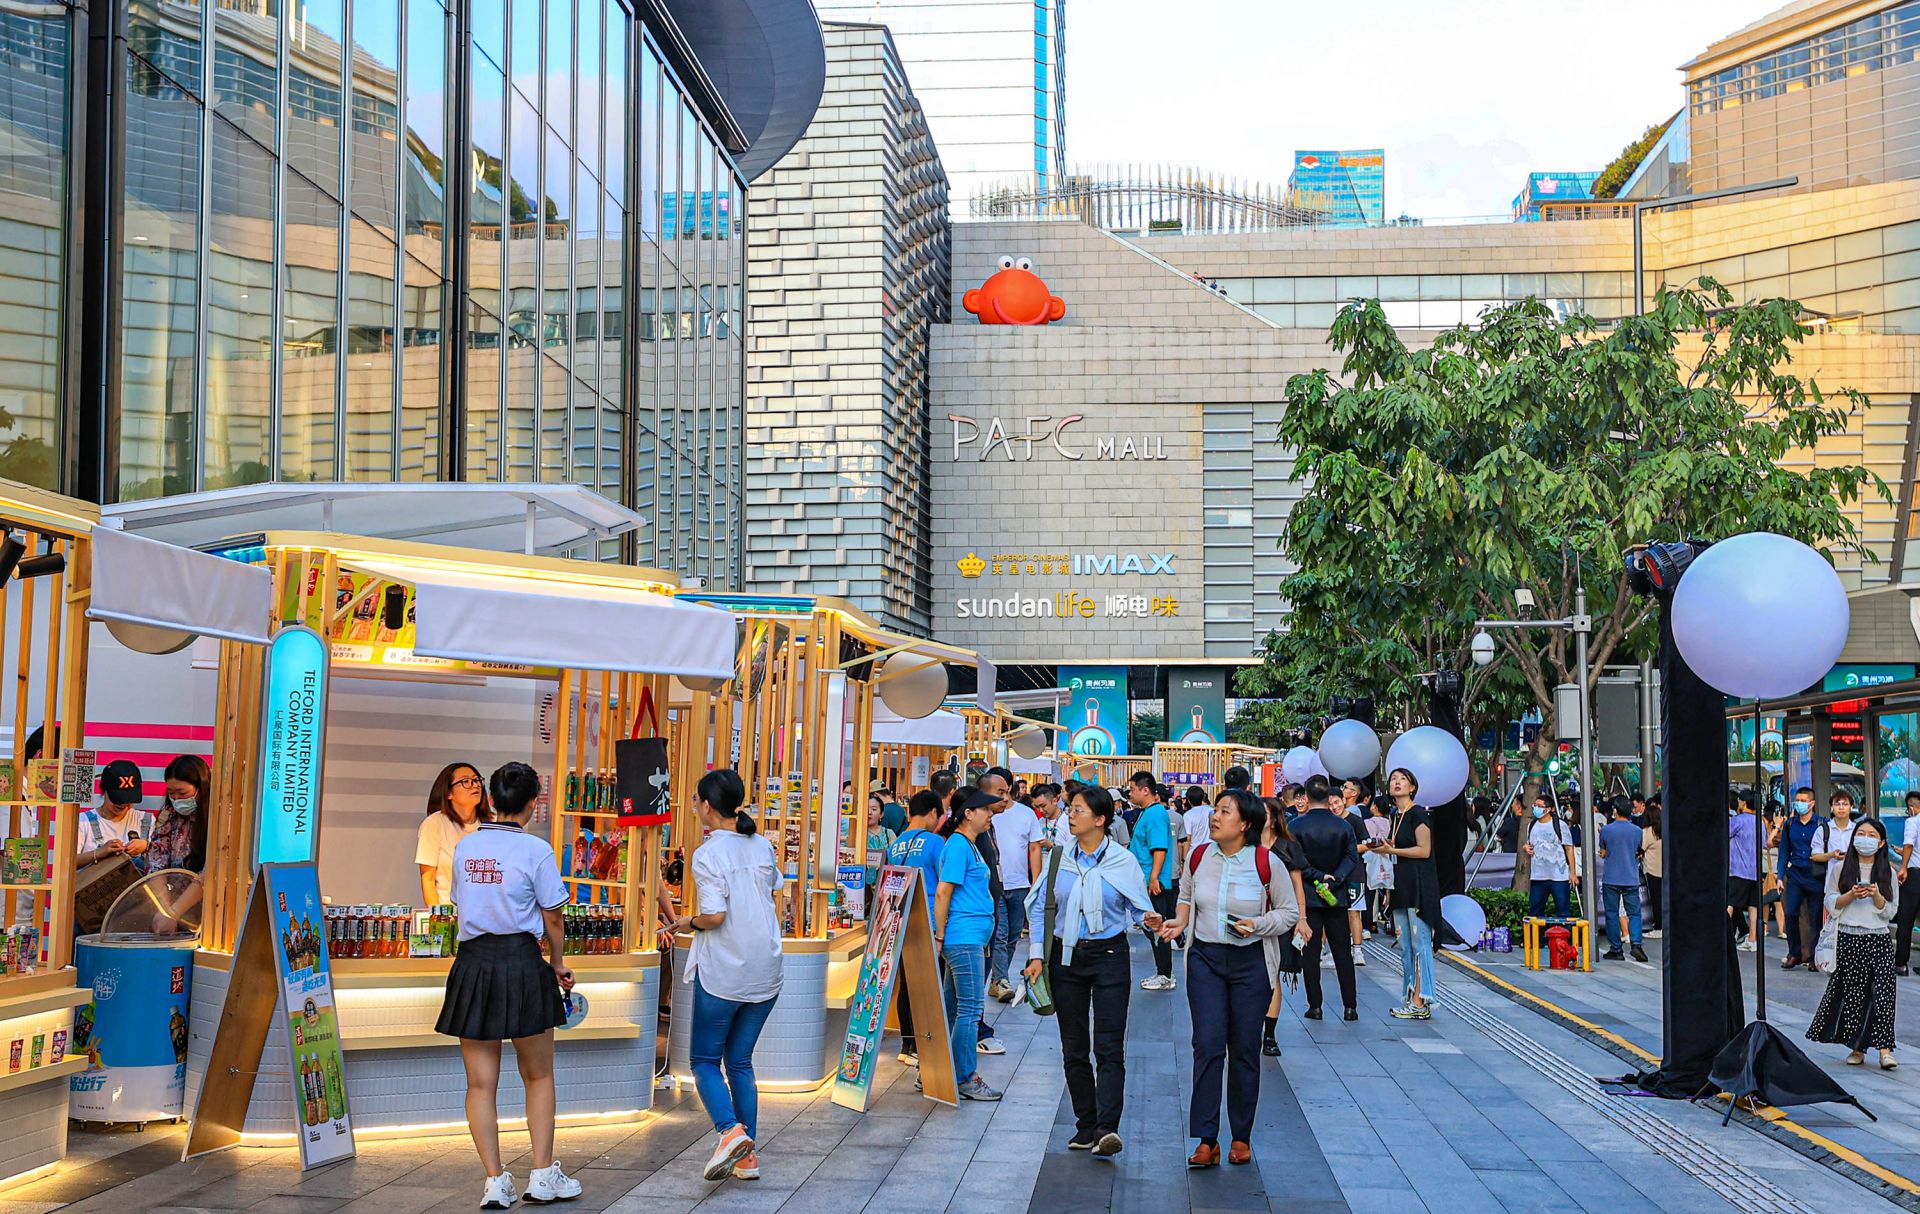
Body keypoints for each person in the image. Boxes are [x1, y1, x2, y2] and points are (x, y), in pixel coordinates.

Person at [437, 762, 580, 1209]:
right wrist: (556, 962)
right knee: (538, 1075)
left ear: (492, 801)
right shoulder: (536, 851)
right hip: (522, 963)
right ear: (533, 804)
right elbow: (553, 915)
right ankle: (541, 1175)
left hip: (474, 964)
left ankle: (496, 1181)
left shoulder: (466, 848)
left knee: (480, 1084)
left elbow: (461, 903)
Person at [1158, 789, 1300, 1167]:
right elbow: (1186, 895)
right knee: (1206, 1044)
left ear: (1246, 824)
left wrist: (1258, 924)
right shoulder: (1200, 856)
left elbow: (1289, 912)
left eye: (1225, 811)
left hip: (1251, 962)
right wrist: (1180, 921)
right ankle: (1207, 1138)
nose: (1215, 817)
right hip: (1205, 958)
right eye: (1216, 810)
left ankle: (1240, 1135)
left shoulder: (1266, 862)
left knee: (1244, 1049)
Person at [1024, 785, 1159, 1157]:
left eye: (1078, 810)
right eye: (1070, 809)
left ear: (1100, 820)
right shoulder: (1058, 859)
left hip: (1110, 955)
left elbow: (1136, 909)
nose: (1070, 815)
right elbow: (1039, 908)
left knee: (1109, 1045)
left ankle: (1107, 1128)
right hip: (1065, 959)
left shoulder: (1122, 860)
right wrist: (1037, 955)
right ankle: (1085, 1124)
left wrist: (1150, 919)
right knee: (1074, 1046)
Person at [673, 769, 784, 1183]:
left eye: (695, 799)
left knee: (704, 1061)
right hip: (766, 968)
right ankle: (746, 1157)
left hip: (725, 970)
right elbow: (772, 889)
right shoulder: (761, 844)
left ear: (706, 805)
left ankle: (730, 1131)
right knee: (739, 1062)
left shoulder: (708, 854)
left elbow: (715, 916)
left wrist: (689, 922)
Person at [1808, 818, 1898, 1070]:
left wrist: (1877, 895)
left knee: (1883, 994)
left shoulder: (1887, 872)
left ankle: (1885, 1050)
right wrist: (1851, 895)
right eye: (1861, 833)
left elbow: (1890, 912)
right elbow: (1830, 902)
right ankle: (1858, 1047)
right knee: (1855, 995)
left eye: (1871, 835)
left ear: (1880, 842)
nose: (1865, 839)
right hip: (1849, 937)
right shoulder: (1840, 869)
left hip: (1878, 938)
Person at [934, 789, 1004, 1101]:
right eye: (984, 810)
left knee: (951, 1007)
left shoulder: (969, 845)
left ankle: (936, 1071)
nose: (990, 814)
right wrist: (939, 935)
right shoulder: (959, 845)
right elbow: (943, 892)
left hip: (970, 937)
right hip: (963, 939)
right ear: (968, 813)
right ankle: (964, 1076)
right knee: (970, 1009)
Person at [1290, 775, 1361, 1021]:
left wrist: (1318, 877)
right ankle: (1350, 1006)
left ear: (1306, 797)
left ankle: (1315, 1005)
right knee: (1342, 952)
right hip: (1336, 897)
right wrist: (1335, 879)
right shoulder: (1344, 826)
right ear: (1329, 798)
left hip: (1308, 897)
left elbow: (1295, 862)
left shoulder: (1295, 826)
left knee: (1309, 953)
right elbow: (1352, 858)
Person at [1370, 768, 1439, 1020]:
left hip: (1419, 887)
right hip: (1401, 886)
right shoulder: (1396, 816)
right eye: (1393, 780)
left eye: (1403, 780)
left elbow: (1424, 850)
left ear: (1412, 787)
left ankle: (1421, 1000)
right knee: (1406, 946)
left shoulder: (1418, 814)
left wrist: (1393, 851)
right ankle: (1412, 997)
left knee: (1420, 944)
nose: (1396, 783)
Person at [887, 790, 947, 1067]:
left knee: (906, 984)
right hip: (929, 921)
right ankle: (924, 1044)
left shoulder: (895, 844)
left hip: (899, 920)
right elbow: (945, 884)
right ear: (933, 813)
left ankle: (906, 1044)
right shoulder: (936, 843)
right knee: (927, 987)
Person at [1259, 799, 1313, 1056]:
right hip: (1250, 918)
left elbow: (1297, 886)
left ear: (1274, 818)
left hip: (1280, 919)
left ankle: (1269, 1035)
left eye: (1265, 813)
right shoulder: (1245, 845)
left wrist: (1301, 919)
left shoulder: (1287, 847)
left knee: (1274, 975)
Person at [988, 771, 1043, 1002]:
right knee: (1000, 936)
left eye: (1002, 790)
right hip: (997, 885)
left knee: (1012, 936)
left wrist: (1036, 883)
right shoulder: (988, 814)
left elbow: (1034, 848)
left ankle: (997, 980)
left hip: (1021, 884)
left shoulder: (1026, 814)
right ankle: (1001, 980)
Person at [1126, 771, 1179, 991]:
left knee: (1157, 925)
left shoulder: (1156, 814)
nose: (1130, 793)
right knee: (1151, 924)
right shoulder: (1147, 813)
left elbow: (1159, 848)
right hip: (1145, 879)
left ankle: (1165, 974)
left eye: (1132, 789)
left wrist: (1154, 877)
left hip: (1152, 881)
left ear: (1145, 790)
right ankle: (1163, 972)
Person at [146, 755, 211, 934]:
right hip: (173, 907)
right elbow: (156, 862)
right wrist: (165, 910)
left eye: (182, 793)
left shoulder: (219, 818)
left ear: (201, 787)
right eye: (171, 793)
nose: (176, 799)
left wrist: (174, 912)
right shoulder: (168, 815)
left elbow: (211, 873)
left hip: (210, 914)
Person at [417, 761, 489, 907]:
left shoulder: (492, 823)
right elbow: (428, 878)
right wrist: (436, 917)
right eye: (465, 782)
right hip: (449, 914)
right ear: (449, 793)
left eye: (476, 780)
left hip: (487, 915)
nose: (475, 785)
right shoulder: (434, 823)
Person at [1598, 799, 1648, 963]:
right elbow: (1637, 850)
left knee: (1612, 913)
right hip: (1631, 877)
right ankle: (1636, 944)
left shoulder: (1606, 830)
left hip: (1611, 877)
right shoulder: (1636, 831)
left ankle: (1616, 949)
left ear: (1615, 811)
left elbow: (1603, 853)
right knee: (1634, 913)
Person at [78, 758, 149, 872]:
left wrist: (147, 846)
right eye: (117, 799)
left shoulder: (146, 820)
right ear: (103, 791)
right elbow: (66, 863)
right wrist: (99, 852)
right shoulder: (83, 822)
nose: (122, 804)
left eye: (129, 799)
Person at [1781, 787, 1824, 969]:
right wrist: (1779, 875)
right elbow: (1784, 850)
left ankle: (1814, 957)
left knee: (1816, 917)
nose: (1799, 803)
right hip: (1795, 874)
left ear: (1812, 803)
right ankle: (1794, 953)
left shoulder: (1822, 823)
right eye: (1797, 800)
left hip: (1816, 875)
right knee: (1791, 913)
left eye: (1803, 800)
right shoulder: (1790, 824)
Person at [1333, 779, 1372, 965]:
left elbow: (1366, 845)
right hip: (1333, 874)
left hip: (1355, 873)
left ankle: (1357, 950)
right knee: (1334, 913)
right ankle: (1333, 951)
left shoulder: (1355, 821)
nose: (1334, 807)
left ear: (1344, 800)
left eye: (1337, 802)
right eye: (1330, 803)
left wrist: (1347, 849)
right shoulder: (1328, 821)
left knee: (1354, 912)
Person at [1524, 795, 1575, 917]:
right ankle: (1537, 936)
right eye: (1534, 805)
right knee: (1535, 912)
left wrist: (1572, 872)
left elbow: (1569, 848)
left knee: (1563, 911)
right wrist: (1525, 847)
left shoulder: (1560, 825)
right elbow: (1528, 844)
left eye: (1539, 806)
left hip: (1559, 876)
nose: (1536, 808)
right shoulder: (1531, 826)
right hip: (1538, 876)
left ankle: (1562, 935)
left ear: (1548, 809)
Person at [1729, 789, 1761, 951]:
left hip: (1738, 869)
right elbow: (1763, 844)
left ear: (1743, 802)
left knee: (1730, 904)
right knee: (1753, 906)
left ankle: (1725, 936)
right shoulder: (1760, 822)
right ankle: (1753, 940)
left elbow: (1724, 834)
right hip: (1755, 870)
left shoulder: (1738, 820)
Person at [1363, 794, 1395, 939]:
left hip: (1371, 859)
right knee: (1388, 888)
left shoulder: (1369, 822)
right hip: (1386, 858)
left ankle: (1368, 925)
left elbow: (1367, 842)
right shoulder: (1390, 822)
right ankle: (1390, 922)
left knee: (1369, 894)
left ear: (1374, 807)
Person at [1896, 792, 1920, 975]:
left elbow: (1909, 844)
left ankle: (1901, 963)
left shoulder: (1912, 821)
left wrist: (1903, 867)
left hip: (1915, 875)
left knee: (1906, 919)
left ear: (1911, 808)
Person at [864, 793, 895, 919]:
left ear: (881, 814)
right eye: (867, 809)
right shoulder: (859, 833)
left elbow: (894, 857)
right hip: (865, 885)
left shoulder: (889, 833)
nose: (869, 812)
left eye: (874, 809)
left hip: (884, 883)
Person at [1642, 802, 1664, 939]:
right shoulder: (1664, 830)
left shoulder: (1648, 832)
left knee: (1655, 900)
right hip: (1664, 869)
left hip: (1651, 870)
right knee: (1663, 898)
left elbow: (1640, 849)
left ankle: (1659, 927)